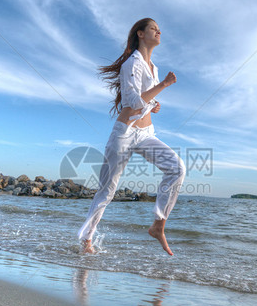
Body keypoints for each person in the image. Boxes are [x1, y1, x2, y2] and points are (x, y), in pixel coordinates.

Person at [78, 18, 185, 255]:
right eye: (153, 28)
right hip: (124, 134)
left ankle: (158, 225)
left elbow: (146, 100)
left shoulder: (153, 67)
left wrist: (155, 104)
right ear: (140, 33)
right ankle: (86, 240)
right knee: (107, 190)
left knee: (177, 168)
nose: (159, 31)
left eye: (159, 28)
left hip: (146, 133)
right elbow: (133, 101)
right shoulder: (131, 64)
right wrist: (164, 86)